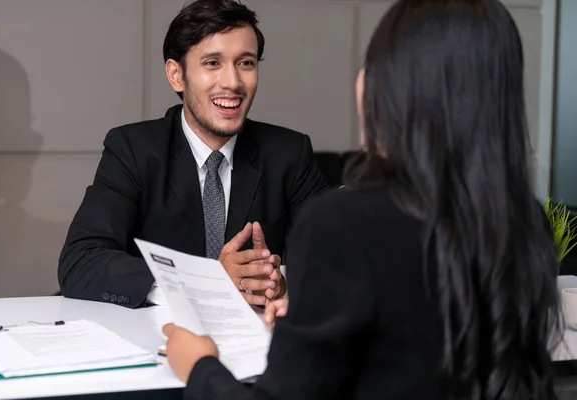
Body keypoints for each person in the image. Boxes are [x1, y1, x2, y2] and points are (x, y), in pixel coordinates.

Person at [161, 0, 564, 398]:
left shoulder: (344, 223)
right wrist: (311, 325)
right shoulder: (527, 222)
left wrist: (199, 367)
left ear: (394, 86)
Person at [57, 0, 327, 309]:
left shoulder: (289, 153)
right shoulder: (133, 148)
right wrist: (203, 284)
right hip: (157, 337)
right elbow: (80, 261)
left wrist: (281, 284)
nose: (233, 82)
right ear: (176, 75)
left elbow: (337, 258)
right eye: (212, 63)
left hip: (256, 340)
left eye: (246, 63)